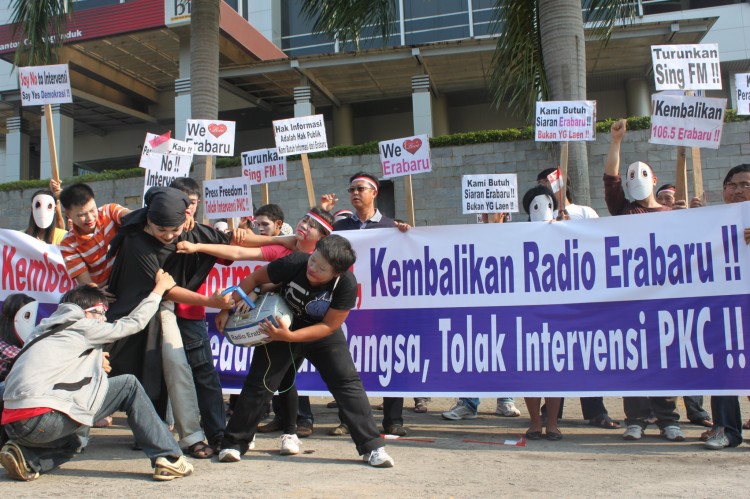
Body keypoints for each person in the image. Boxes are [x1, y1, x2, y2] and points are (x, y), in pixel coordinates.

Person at [217, 235, 395, 468]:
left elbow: (329, 325)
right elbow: (254, 278)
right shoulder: (295, 262)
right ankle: (233, 443)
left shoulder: (346, 285)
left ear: (336, 273)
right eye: (314, 260)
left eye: (321, 268)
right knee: (260, 383)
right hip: (282, 323)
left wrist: (291, 337)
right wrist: (226, 310)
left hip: (320, 333)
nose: (313, 268)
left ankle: (372, 447)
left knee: (346, 382)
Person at [0, 274, 194, 482]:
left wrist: (93, 359)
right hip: (44, 420)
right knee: (128, 385)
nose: (103, 319)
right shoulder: (82, 326)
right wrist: (158, 291)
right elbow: (134, 323)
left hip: (13, 424)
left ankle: (28, 458)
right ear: (87, 312)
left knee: (73, 442)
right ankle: (168, 458)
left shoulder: (41, 331)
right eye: (101, 312)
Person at [177, 207, 335, 451]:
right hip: (270, 320)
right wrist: (197, 247)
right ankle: (247, 432)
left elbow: (271, 282)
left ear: (323, 236)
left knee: (288, 377)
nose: (304, 225)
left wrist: (259, 288)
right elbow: (238, 251)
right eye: (303, 220)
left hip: (303, 324)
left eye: (312, 225)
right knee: (263, 377)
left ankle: (291, 432)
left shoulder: (322, 260)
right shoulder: (284, 248)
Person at [105, 186, 234, 459]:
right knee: (113, 371)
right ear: (148, 220)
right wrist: (211, 302)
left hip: (163, 310)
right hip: (132, 314)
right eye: (160, 230)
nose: (167, 236)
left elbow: (232, 246)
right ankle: (77, 430)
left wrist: (285, 242)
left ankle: (192, 436)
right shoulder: (135, 240)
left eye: (173, 230)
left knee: (177, 366)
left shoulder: (187, 230)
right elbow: (165, 288)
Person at [605, 119, 684, 442]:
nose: (636, 180)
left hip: (664, 299)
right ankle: (635, 418)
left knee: (664, 359)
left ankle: (668, 419)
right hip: (630, 300)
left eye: (643, 175)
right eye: (631, 176)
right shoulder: (622, 210)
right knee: (633, 360)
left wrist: (695, 213)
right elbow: (609, 178)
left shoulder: (672, 215)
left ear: (654, 180)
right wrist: (615, 142)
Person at [325, 173, 410, 437]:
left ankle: (393, 420)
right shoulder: (341, 229)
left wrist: (406, 235)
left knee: (390, 359)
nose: (354, 193)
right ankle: (346, 419)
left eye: (360, 188)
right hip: (348, 305)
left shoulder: (391, 227)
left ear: (374, 193)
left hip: (383, 305)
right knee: (346, 364)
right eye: (351, 189)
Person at [169, 177, 230, 453]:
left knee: (204, 372)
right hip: (158, 311)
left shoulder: (204, 233)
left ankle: (217, 432)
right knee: (156, 374)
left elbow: (233, 251)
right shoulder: (149, 229)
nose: (187, 209)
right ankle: (153, 432)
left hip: (191, 314)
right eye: (182, 203)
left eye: (192, 203)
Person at [702, 164, 750, 450]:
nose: (738, 190)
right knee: (724, 366)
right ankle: (727, 429)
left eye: (745, 184)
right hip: (727, 306)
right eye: (732, 184)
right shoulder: (714, 219)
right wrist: (691, 216)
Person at [519, 185, 563, 440]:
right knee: (529, 372)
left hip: (557, 312)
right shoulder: (518, 233)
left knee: (553, 371)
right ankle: (535, 422)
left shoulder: (564, 229)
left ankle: (553, 423)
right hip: (527, 312)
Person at [57, 182, 129, 287]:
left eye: (92, 210)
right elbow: (86, 282)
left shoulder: (109, 211)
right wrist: (99, 294)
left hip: (129, 274)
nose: (90, 218)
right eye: (82, 215)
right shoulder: (68, 244)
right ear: (68, 215)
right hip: (107, 290)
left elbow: (133, 216)